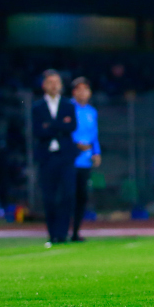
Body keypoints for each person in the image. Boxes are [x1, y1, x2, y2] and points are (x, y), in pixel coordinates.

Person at [32, 70, 78, 246]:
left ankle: (62, 233)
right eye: (50, 82)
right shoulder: (37, 107)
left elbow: (72, 126)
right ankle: (52, 235)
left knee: (67, 195)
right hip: (47, 158)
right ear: (44, 85)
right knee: (49, 198)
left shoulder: (68, 105)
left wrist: (50, 125)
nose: (53, 85)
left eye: (56, 82)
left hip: (65, 157)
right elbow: (38, 131)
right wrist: (60, 125)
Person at [70, 77, 101, 242]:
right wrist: (76, 144)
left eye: (86, 89)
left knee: (82, 196)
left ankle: (75, 232)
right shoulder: (68, 107)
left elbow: (94, 135)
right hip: (70, 159)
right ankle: (62, 229)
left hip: (85, 161)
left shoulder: (91, 112)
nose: (83, 93)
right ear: (74, 92)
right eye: (79, 89)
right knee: (68, 196)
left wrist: (97, 152)